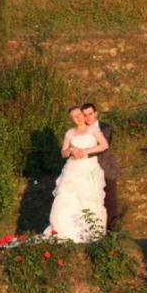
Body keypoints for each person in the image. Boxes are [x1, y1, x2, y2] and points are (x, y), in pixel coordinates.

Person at [43, 106, 109, 242]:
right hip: (72, 169)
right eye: (74, 117)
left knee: (88, 198)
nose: (78, 118)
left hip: (88, 167)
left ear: (83, 115)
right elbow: (63, 153)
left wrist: (86, 151)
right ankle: (65, 232)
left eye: (79, 114)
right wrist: (71, 149)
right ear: (71, 119)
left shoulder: (93, 130)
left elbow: (104, 145)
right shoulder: (70, 133)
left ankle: (90, 233)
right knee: (67, 198)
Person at [81, 103, 120, 231]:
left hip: (105, 167)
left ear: (96, 113)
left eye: (90, 114)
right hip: (87, 170)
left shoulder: (105, 127)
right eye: (85, 115)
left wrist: (83, 151)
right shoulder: (81, 130)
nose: (88, 117)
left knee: (110, 199)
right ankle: (94, 229)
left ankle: (113, 230)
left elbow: (104, 145)